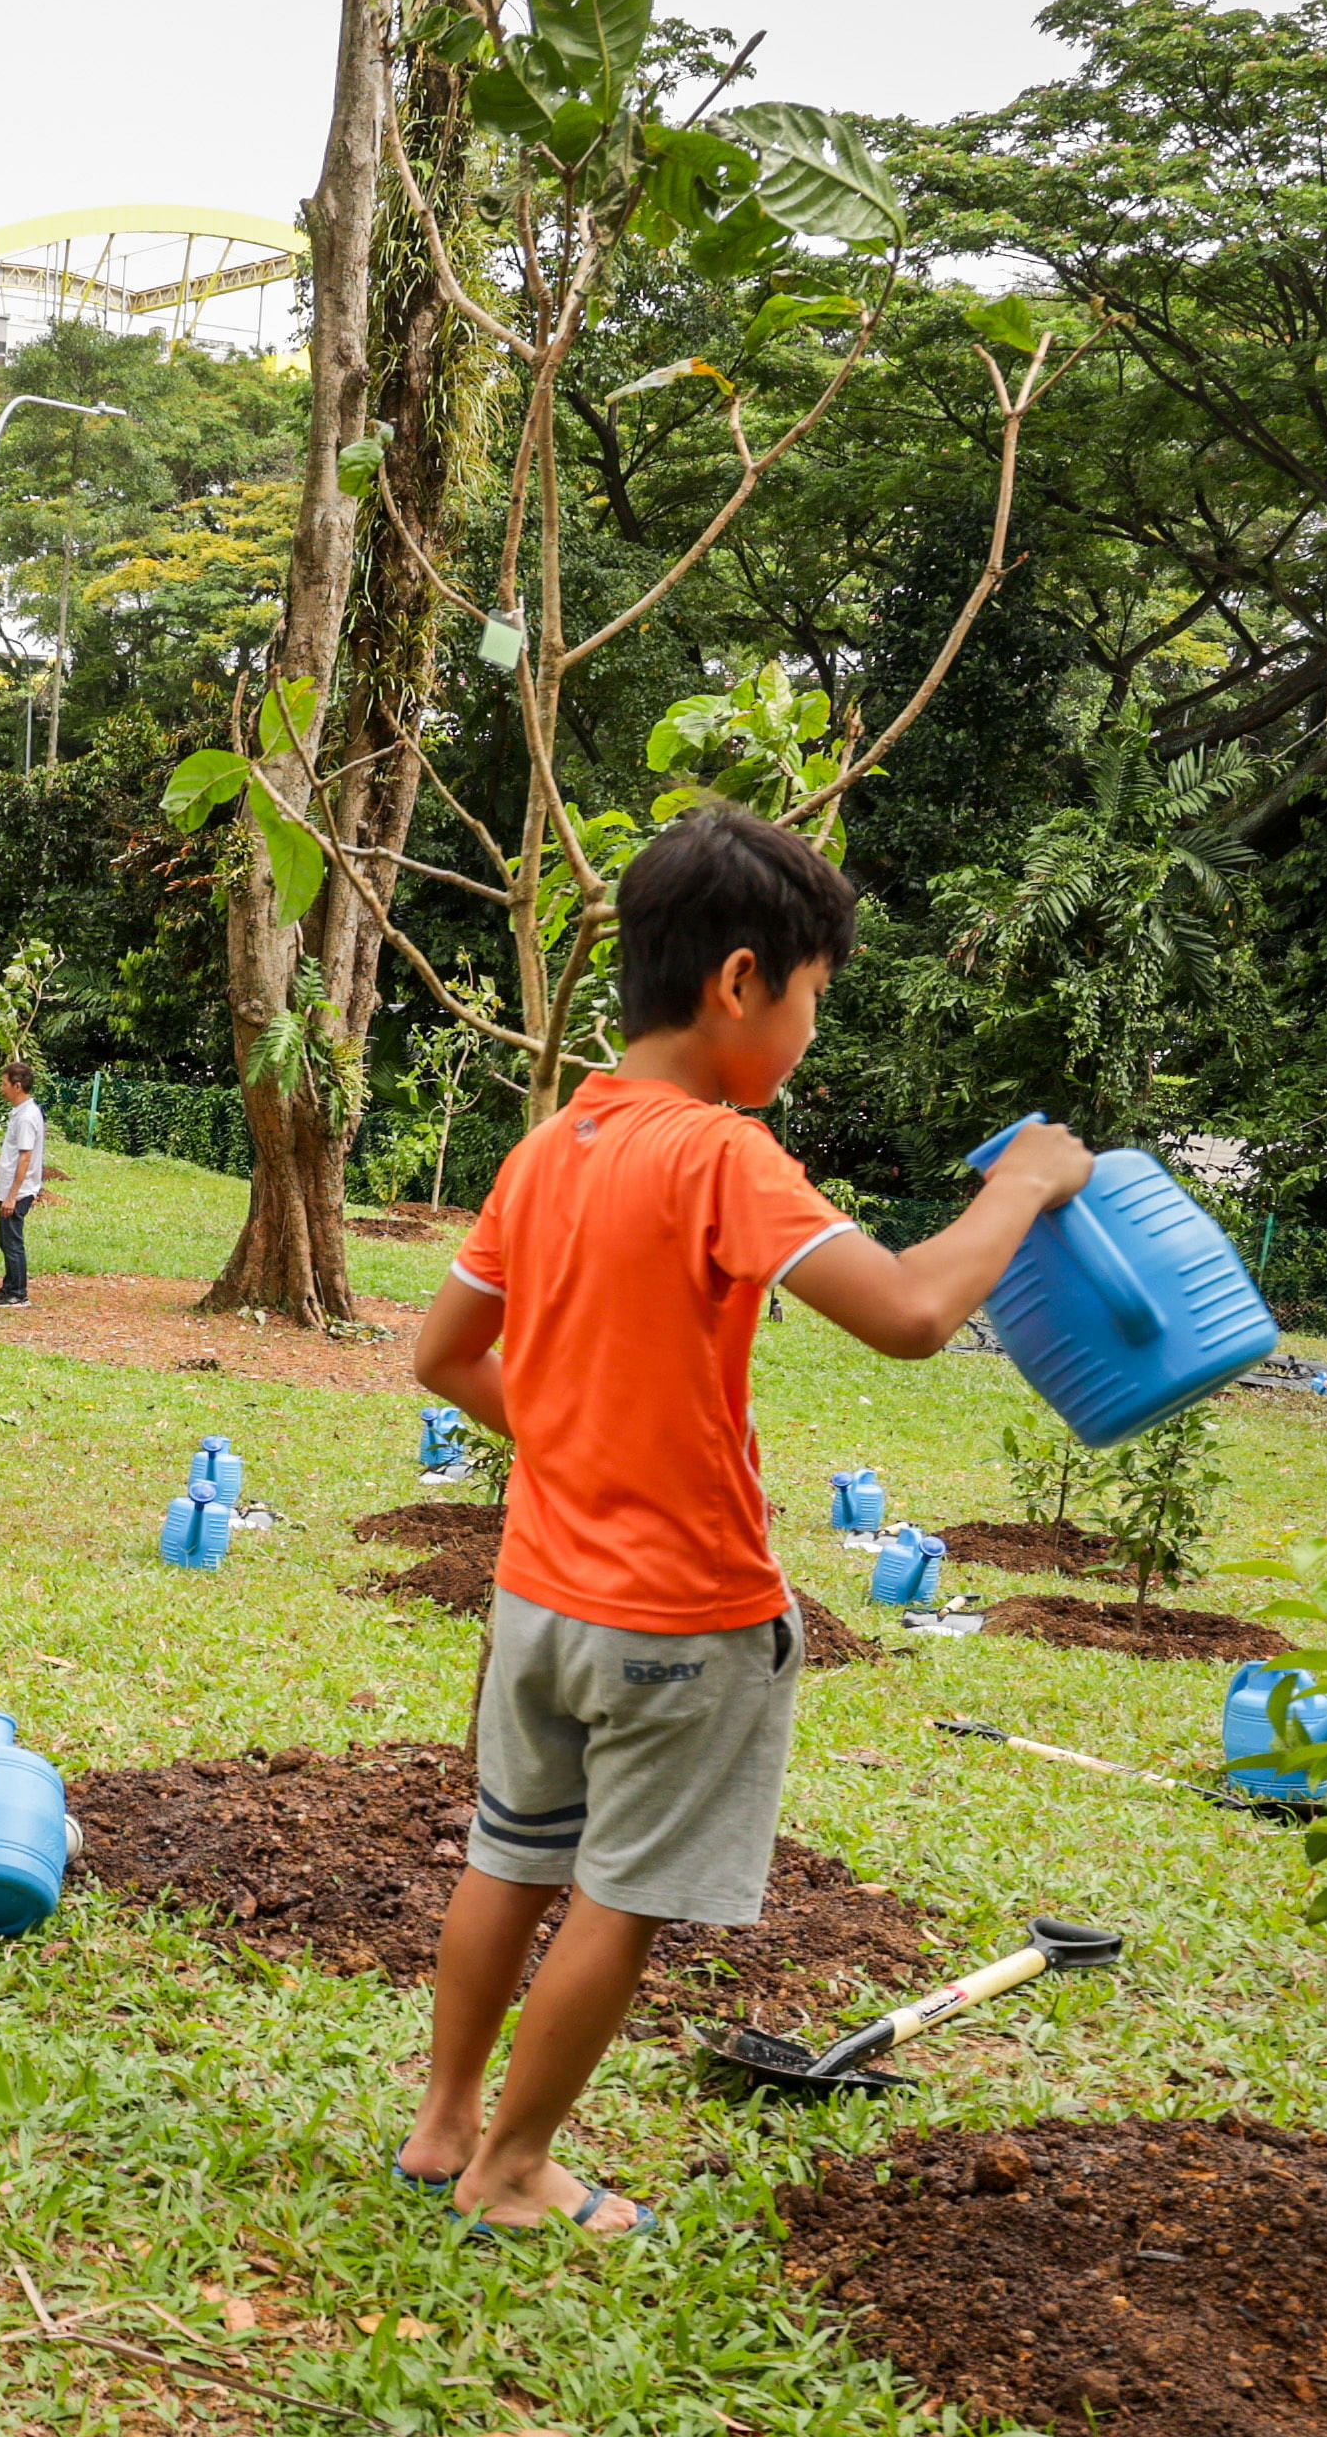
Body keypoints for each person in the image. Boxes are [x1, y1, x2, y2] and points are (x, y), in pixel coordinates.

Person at [397, 807, 1091, 2242]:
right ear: (737, 981)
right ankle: (515, 2170)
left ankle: (443, 2125)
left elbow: (445, 1354)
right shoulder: (720, 1155)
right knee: (620, 1896)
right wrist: (1020, 1188)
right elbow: (906, 1313)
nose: (809, 1034)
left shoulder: (551, 1147)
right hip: (681, 1615)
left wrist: (576, 1442)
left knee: (508, 1855)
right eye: (814, 1000)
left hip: (535, 1596)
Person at [0, 1057, 47, 1303]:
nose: (1, 1088)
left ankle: (18, 1294)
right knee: (5, 1239)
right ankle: (9, 1287)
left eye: (4, 1083)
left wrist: (13, 1195)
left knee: (12, 1242)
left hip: (18, 1191)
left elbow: (25, 1158)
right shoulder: (22, 1112)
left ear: (17, 1086)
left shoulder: (26, 1117)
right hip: (13, 1189)